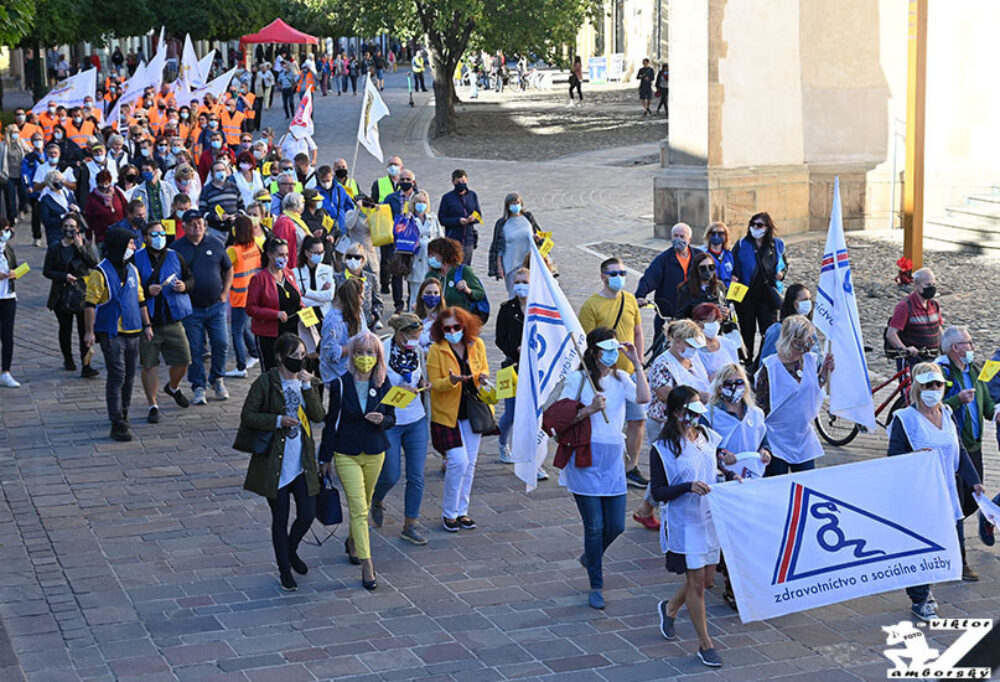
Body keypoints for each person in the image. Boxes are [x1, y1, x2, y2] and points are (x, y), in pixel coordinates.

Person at [888, 362, 988, 620]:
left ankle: (930, 587)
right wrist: (915, 458)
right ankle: (921, 598)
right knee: (921, 548)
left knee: (948, 545)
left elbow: (959, 450)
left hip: (948, 493)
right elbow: (894, 458)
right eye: (929, 385)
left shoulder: (946, 412)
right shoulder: (905, 419)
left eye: (939, 385)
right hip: (919, 497)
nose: (934, 389)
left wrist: (974, 480)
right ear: (918, 388)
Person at [560, 327, 650, 609]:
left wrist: (636, 362)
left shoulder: (622, 378)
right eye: (607, 349)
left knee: (615, 525)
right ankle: (596, 583)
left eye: (615, 349)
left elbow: (644, 398)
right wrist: (588, 410)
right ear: (595, 351)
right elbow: (561, 417)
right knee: (595, 526)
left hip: (612, 463)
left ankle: (591, 555)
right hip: (584, 459)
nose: (612, 355)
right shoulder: (578, 379)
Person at [238, 332, 323, 592]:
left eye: (302, 356)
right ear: (279, 357)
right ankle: (284, 568)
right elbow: (248, 415)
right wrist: (277, 421)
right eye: (295, 356)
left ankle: (291, 549)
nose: (300, 361)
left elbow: (319, 415)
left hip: (302, 462)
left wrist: (309, 388)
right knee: (280, 517)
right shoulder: (266, 383)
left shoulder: (308, 382)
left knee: (308, 514)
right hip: (275, 463)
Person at [650, 385, 725, 668]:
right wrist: (686, 487)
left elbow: (717, 465)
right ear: (678, 413)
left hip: (709, 519)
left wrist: (731, 466)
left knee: (706, 580)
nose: (696, 417)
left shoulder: (706, 436)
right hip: (685, 523)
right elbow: (658, 492)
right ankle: (705, 643)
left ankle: (670, 607)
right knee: (696, 584)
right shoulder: (663, 449)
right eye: (691, 411)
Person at [319, 332, 396, 590]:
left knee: (364, 501)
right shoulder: (341, 384)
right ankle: (368, 564)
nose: (365, 358)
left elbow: (391, 417)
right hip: (347, 452)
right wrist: (324, 457)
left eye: (370, 353)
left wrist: (382, 421)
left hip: (375, 451)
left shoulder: (383, 382)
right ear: (352, 356)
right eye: (360, 353)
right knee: (359, 508)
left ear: (378, 356)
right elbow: (331, 423)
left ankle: (353, 541)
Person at [703, 363, 770, 609]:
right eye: (729, 383)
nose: (735, 388)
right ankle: (733, 586)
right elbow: (703, 444)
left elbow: (764, 440)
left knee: (746, 534)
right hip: (725, 481)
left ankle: (737, 580)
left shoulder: (755, 414)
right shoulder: (709, 415)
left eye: (739, 383)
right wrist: (721, 454)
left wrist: (765, 452)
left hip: (751, 479)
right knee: (731, 534)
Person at [936, 325, 999, 581]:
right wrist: (956, 401)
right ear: (955, 348)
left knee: (971, 500)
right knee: (957, 505)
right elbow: (930, 406)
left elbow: (985, 406)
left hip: (974, 447)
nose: (973, 347)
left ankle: (948, 536)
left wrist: (996, 412)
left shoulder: (973, 371)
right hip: (953, 449)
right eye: (969, 343)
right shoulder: (940, 372)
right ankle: (958, 561)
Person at [579, 257, 648, 490]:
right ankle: (609, 463)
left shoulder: (629, 300)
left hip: (627, 371)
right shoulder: (591, 305)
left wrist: (639, 358)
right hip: (604, 375)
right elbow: (587, 342)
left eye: (622, 273)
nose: (619, 278)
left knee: (637, 419)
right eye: (613, 273)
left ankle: (632, 466)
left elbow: (638, 331)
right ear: (603, 276)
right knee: (608, 423)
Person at [83, 227, 154, 440]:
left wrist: (147, 325)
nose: (134, 247)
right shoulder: (99, 272)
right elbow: (90, 304)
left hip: (133, 329)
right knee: (117, 374)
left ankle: (124, 411)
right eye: (130, 244)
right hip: (111, 331)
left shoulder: (132, 270)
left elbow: (140, 299)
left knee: (130, 375)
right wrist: (89, 332)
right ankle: (116, 421)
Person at [427, 306, 491, 533]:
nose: (452, 331)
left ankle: (462, 511)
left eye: (457, 327)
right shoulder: (437, 350)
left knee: (470, 463)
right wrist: (452, 380)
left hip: (472, 409)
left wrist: (481, 377)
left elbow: (483, 368)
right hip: (447, 414)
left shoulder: (477, 344)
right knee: (458, 461)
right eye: (447, 328)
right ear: (440, 329)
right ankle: (449, 512)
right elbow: (434, 383)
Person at [370, 313, 431, 544]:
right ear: (400, 334)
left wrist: (423, 384)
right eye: (412, 336)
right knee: (391, 473)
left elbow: (420, 376)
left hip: (416, 418)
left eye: (418, 336)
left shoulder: (416, 352)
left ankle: (410, 524)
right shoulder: (382, 350)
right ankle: (377, 498)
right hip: (392, 421)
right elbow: (375, 389)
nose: (416, 341)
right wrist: (398, 392)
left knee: (416, 475)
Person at [755, 315, 833, 474]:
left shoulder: (810, 360)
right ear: (791, 340)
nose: (809, 346)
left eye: (810, 341)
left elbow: (812, 389)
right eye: (804, 342)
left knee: (806, 485)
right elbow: (760, 407)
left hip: (803, 438)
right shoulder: (769, 368)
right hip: (776, 439)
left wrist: (825, 371)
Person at [170, 210, 233, 404]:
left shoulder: (215, 243)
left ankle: (217, 378)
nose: (196, 226)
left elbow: (228, 268)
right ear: (184, 226)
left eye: (199, 223)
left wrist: (225, 293)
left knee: (221, 343)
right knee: (195, 350)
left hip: (216, 306)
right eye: (192, 223)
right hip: (191, 309)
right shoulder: (176, 248)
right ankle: (198, 385)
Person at [134, 221, 193, 423]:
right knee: (149, 364)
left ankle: (173, 387)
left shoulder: (175, 256)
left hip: (172, 319)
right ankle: (153, 404)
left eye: (161, 233)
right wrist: (146, 289)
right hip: (149, 321)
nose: (159, 237)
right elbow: (131, 286)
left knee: (184, 360)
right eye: (153, 234)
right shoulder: (136, 259)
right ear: (145, 238)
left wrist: (184, 286)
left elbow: (190, 279)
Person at [44, 214, 99, 376]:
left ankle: (86, 364)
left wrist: (80, 247)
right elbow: (47, 271)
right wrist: (64, 276)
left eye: (72, 226)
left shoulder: (83, 245)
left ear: (78, 228)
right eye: (66, 226)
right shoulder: (55, 247)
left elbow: (93, 263)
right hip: (62, 294)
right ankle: (68, 359)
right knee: (65, 329)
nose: (69, 229)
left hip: (82, 293)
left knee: (85, 329)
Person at [636, 222, 702, 351]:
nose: (678, 239)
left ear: (689, 239)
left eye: (682, 236)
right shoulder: (663, 259)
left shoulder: (698, 257)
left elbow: (709, 276)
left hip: (692, 312)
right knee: (660, 346)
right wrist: (640, 295)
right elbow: (650, 277)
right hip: (668, 311)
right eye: (675, 236)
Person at [731, 212, 787, 356]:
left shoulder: (777, 245)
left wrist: (781, 274)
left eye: (759, 225)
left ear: (767, 227)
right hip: (745, 295)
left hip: (767, 296)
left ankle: (764, 359)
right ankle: (748, 359)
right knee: (746, 330)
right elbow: (733, 263)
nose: (755, 228)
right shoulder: (742, 244)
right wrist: (733, 277)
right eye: (753, 224)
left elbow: (783, 264)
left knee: (768, 332)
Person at [246, 238, 303, 371]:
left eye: (286, 255)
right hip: (269, 334)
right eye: (280, 255)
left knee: (291, 369)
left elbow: (296, 299)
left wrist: (304, 311)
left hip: (292, 332)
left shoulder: (289, 274)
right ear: (270, 255)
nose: (285, 258)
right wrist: (274, 314)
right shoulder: (259, 279)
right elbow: (250, 308)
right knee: (272, 370)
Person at [225, 217, 263, 378]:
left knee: (237, 332)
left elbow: (224, 269)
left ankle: (241, 366)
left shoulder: (233, 250)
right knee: (246, 327)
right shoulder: (254, 246)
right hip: (252, 294)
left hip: (239, 296)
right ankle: (255, 353)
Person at [886, 267, 943, 365]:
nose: (932, 288)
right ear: (916, 285)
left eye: (933, 284)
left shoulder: (934, 305)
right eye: (928, 285)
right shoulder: (905, 306)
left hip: (933, 357)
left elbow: (939, 329)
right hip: (913, 360)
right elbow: (891, 334)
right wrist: (905, 349)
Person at [488, 192, 540, 297]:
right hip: (511, 265)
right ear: (507, 206)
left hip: (529, 262)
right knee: (514, 293)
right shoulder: (502, 223)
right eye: (513, 203)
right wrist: (499, 266)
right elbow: (498, 246)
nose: (516, 205)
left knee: (531, 293)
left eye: (518, 202)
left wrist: (537, 238)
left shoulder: (528, 218)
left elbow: (538, 233)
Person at [319, 277, 366, 385]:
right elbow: (331, 353)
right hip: (337, 376)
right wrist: (356, 346)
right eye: (360, 296)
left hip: (355, 372)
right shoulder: (334, 321)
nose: (363, 299)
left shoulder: (358, 312)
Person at [425, 237, 486, 317]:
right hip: (438, 319)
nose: (430, 258)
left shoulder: (463, 271)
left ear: (443, 255)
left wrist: (468, 290)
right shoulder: (431, 275)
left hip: (461, 319)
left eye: (432, 254)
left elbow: (480, 294)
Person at [758, 283, 812, 364]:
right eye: (804, 300)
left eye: (809, 299)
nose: (808, 303)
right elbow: (765, 362)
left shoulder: (810, 329)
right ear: (794, 303)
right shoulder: (777, 330)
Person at [406, 190, 443, 308]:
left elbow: (440, 237)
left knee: (433, 289)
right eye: (418, 202)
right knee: (416, 293)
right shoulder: (408, 218)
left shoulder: (432, 218)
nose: (421, 204)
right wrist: (406, 220)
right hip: (416, 259)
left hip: (431, 259)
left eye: (423, 201)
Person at [437, 170, 481, 265]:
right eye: (458, 182)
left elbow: (479, 215)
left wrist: (474, 218)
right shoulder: (447, 198)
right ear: (453, 182)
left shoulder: (472, 195)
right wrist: (458, 221)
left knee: (466, 268)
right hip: (453, 239)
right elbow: (442, 219)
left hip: (468, 240)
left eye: (463, 181)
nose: (461, 184)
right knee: (453, 267)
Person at [674, 251, 727, 321]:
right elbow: (679, 317)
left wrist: (725, 312)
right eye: (703, 268)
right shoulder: (686, 289)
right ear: (696, 270)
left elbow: (725, 305)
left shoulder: (720, 286)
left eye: (711, 267)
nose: (708, 271)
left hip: (718, 328)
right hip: (696, 329)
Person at [294, 235, 335, 322]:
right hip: (307, 315)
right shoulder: (296, 272)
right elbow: (299, 299)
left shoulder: (327, 269)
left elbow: (329, 295)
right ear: (307, 253)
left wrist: (307, 293)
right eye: (317, 253)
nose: (320, 255)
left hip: (325, 314)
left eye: (322, 252)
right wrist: (320, 301)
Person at [199, 161, 244, 242]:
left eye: (223, 170)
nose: (221, 172)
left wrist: (236, 216)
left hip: (234, 229)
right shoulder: (206, 190)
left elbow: (242, 207)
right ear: (212, 174)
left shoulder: (234, 187)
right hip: (215, 231)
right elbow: (202, 212)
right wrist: (215, 217)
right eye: (218, 170)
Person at [692, 304, 740, 379]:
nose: (713, 324)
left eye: (716, 320)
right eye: (707, 321)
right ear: (697, 323)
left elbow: (738, 371)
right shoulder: (692, 349)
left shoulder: (729, 344)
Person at [0, 220, 20, 388]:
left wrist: (15, 273)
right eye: (5, 230)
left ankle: (6, 372)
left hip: (8, 296)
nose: (7, 233)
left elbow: (19, 268)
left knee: (7, 335)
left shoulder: (7, 249)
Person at [39, 170, 80, 247]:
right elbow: (46, 221)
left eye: (62, 180)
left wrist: (76, 209)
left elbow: (76, 206)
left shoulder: (67, 193)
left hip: (71, 234)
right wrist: (62, 217)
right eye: (58, 181)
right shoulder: (46, 200)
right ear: (51, 183)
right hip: (55, 235)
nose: (62, 182)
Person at [133, 159, 176, 224]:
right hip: (148, 225)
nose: (145, 173)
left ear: (155, 171)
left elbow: (173, 206)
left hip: (167, 224)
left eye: (147, 170)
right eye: (143, 170)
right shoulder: (138, 190)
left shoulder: (167, 188)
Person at [272, 192, 308, 268]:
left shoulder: (297, 220)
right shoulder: (285, 222)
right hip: (291, 265)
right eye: (303, 202)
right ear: (298, 205)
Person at [0, 126, 26, 223]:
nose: (16, 134)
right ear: (9, 133)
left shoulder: (21, 142)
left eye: (17, 132)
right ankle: (13, 215)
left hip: (21, 173)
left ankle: (22, 209)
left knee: (24, 193)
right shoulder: (3, 145)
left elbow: (29, 151)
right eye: (13, 132)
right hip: (9, 173)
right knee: (11, 196)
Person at [415, 278, 443, 351]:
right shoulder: (415, 318)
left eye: (436, 293)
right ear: (421, 295)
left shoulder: (445, 319)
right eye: (428, 292)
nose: (432, 295)